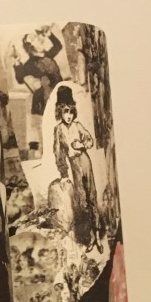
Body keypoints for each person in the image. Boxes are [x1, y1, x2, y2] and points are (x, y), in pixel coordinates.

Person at [53, 84, 102, 253]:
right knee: (82, 201)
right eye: (65, 112)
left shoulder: (78, 125)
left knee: (92, 197)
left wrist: (82, 144)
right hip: (74, 166)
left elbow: (89, 140)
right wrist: (63, 173)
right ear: (60, 112)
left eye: (71, 112)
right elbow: (58, 153)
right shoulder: (58, 130)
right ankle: (90, 238)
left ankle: (98, 237)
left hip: (85, 162)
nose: (68, 116)